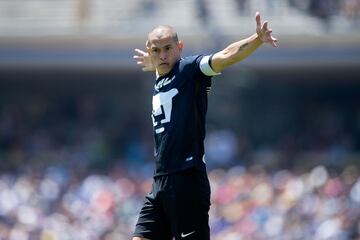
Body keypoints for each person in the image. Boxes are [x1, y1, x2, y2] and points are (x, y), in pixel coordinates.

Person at [131, 11, 278, 240]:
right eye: (156, 50)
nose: (162, 55)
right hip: (160, 181)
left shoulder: (190, 70)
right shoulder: (161, 78)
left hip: (187, 180)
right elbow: (164, 74)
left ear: (179, 47)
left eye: (168, 48)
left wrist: (256, 39)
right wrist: (155, 65)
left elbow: (226, 55)